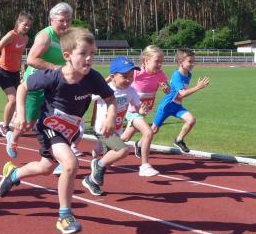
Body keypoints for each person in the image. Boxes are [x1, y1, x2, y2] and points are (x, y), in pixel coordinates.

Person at [0, 27, 116, 234]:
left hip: (68, 131)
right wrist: (21, 114)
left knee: (46, 167)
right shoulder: (53, 76)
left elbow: (110, 98)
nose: (89, 58)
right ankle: (64, 215)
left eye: (92, 53)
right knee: (70, 164)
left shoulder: (93, 78)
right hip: (49, 126)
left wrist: (110, 117)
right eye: (83, 53)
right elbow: (23, 87)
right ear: (67, 56)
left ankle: (14, 173)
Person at [6, 3, 72, 158]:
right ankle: (13, 137)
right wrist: (55, 68)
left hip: (55, 86)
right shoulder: (45, 36)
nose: (65, 24)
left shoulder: (69, 37)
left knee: (57, 120)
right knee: (28, 123)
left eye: (68, 20)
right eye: (62, 20)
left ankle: (57, 157)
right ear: (52, 20)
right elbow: (31, 59)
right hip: (36, 84)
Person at [82, 56, 146, 196]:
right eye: (124, 76)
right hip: (102, 129)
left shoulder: (131, 91)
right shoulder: (105, 90)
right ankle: (97, 164)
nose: (128, 80)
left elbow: (137, 107)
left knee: (109, 160)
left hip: (117, 130)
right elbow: (88, 96)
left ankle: (91, 180)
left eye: (131, 76)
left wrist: (141, 111)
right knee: (123, 150)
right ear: (112, 77)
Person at [119, 45, 170, 176]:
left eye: (161, 62)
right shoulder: (136, 73)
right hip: (132, 109)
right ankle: (145, 165)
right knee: (148, 132)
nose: (160, 64)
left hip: (144, 110)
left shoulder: (160, 74)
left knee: (126, 137)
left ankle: (107, 145)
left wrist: (166, 88)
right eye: (157, 61)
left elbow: (168, 89)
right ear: (146, 60)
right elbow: (119, 81)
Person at [152, 48, 209, 153]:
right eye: (190, 61)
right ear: (180, 62)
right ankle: (140, 144)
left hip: (177, 106)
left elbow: (181, 94)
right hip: (166, 106)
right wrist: (198, 87)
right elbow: (182, 93)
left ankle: (179, 140)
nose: (192, 64)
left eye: (194, 61)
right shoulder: (177, 76)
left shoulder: (188, 74)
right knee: (154, 130)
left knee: (191, 120)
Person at [0, 12, 33, 137]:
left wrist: (22, 71)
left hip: (15, 72)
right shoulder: (11, 35)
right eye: (25, 24)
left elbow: (19, 56)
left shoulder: (26, 39)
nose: (27, 27)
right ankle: (4, 127)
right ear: (19, 22)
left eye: (29, 25)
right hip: (3, 71)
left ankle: (15, 121)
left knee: (18, 99)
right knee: (13, 100)